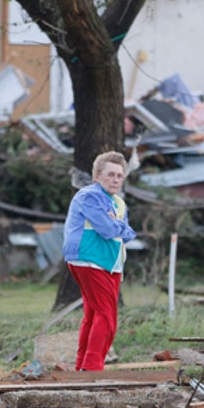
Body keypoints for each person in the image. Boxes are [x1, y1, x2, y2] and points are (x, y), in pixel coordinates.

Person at [62, 151, 136, 371]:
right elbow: (107, 229)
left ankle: (82, 365)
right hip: (89, 259)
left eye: (119, 176)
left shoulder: (118, 202)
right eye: (110, 175)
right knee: (107, 316)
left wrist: (118, 226)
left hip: (110, 263)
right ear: (97, 176)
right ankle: (93, 366)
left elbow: (128, 233)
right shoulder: (89, 196)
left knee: (93, 314)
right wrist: (118, 226)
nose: (115, 180)